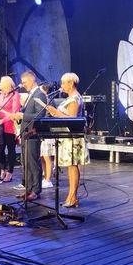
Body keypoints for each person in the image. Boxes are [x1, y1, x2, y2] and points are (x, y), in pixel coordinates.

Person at [45, 72, 89, 208]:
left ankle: (73, 197)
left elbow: (72, 118)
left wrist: (55, 112)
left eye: (64, 83)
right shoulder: (70, 98)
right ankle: (71, 196)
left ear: (71, 83)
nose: (62, 85)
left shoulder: (75, 98)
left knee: (73, 166)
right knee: (70, 166)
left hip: (73, 138)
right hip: (67, 137)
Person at [11, 71, 47, 201]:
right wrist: (18, 116)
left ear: (32, 80)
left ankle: (36, 190)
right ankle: (28, 189)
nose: (23, 85)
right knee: (26, 163)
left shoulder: (39, 94)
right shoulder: (31, 94)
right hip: (26, 133)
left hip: (33, 133)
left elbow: (40, 115)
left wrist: (23, 115)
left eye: (25, 82)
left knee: (33, 162)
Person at [0, 75, 21, 183]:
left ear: (6, 84)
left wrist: (3, 120)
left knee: (10, 149)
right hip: (1, 126)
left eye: (1, 82)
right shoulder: (1, 95)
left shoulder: (15, 95)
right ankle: (3, 168)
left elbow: (14, 113)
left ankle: (10, 171)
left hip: (10, 126)